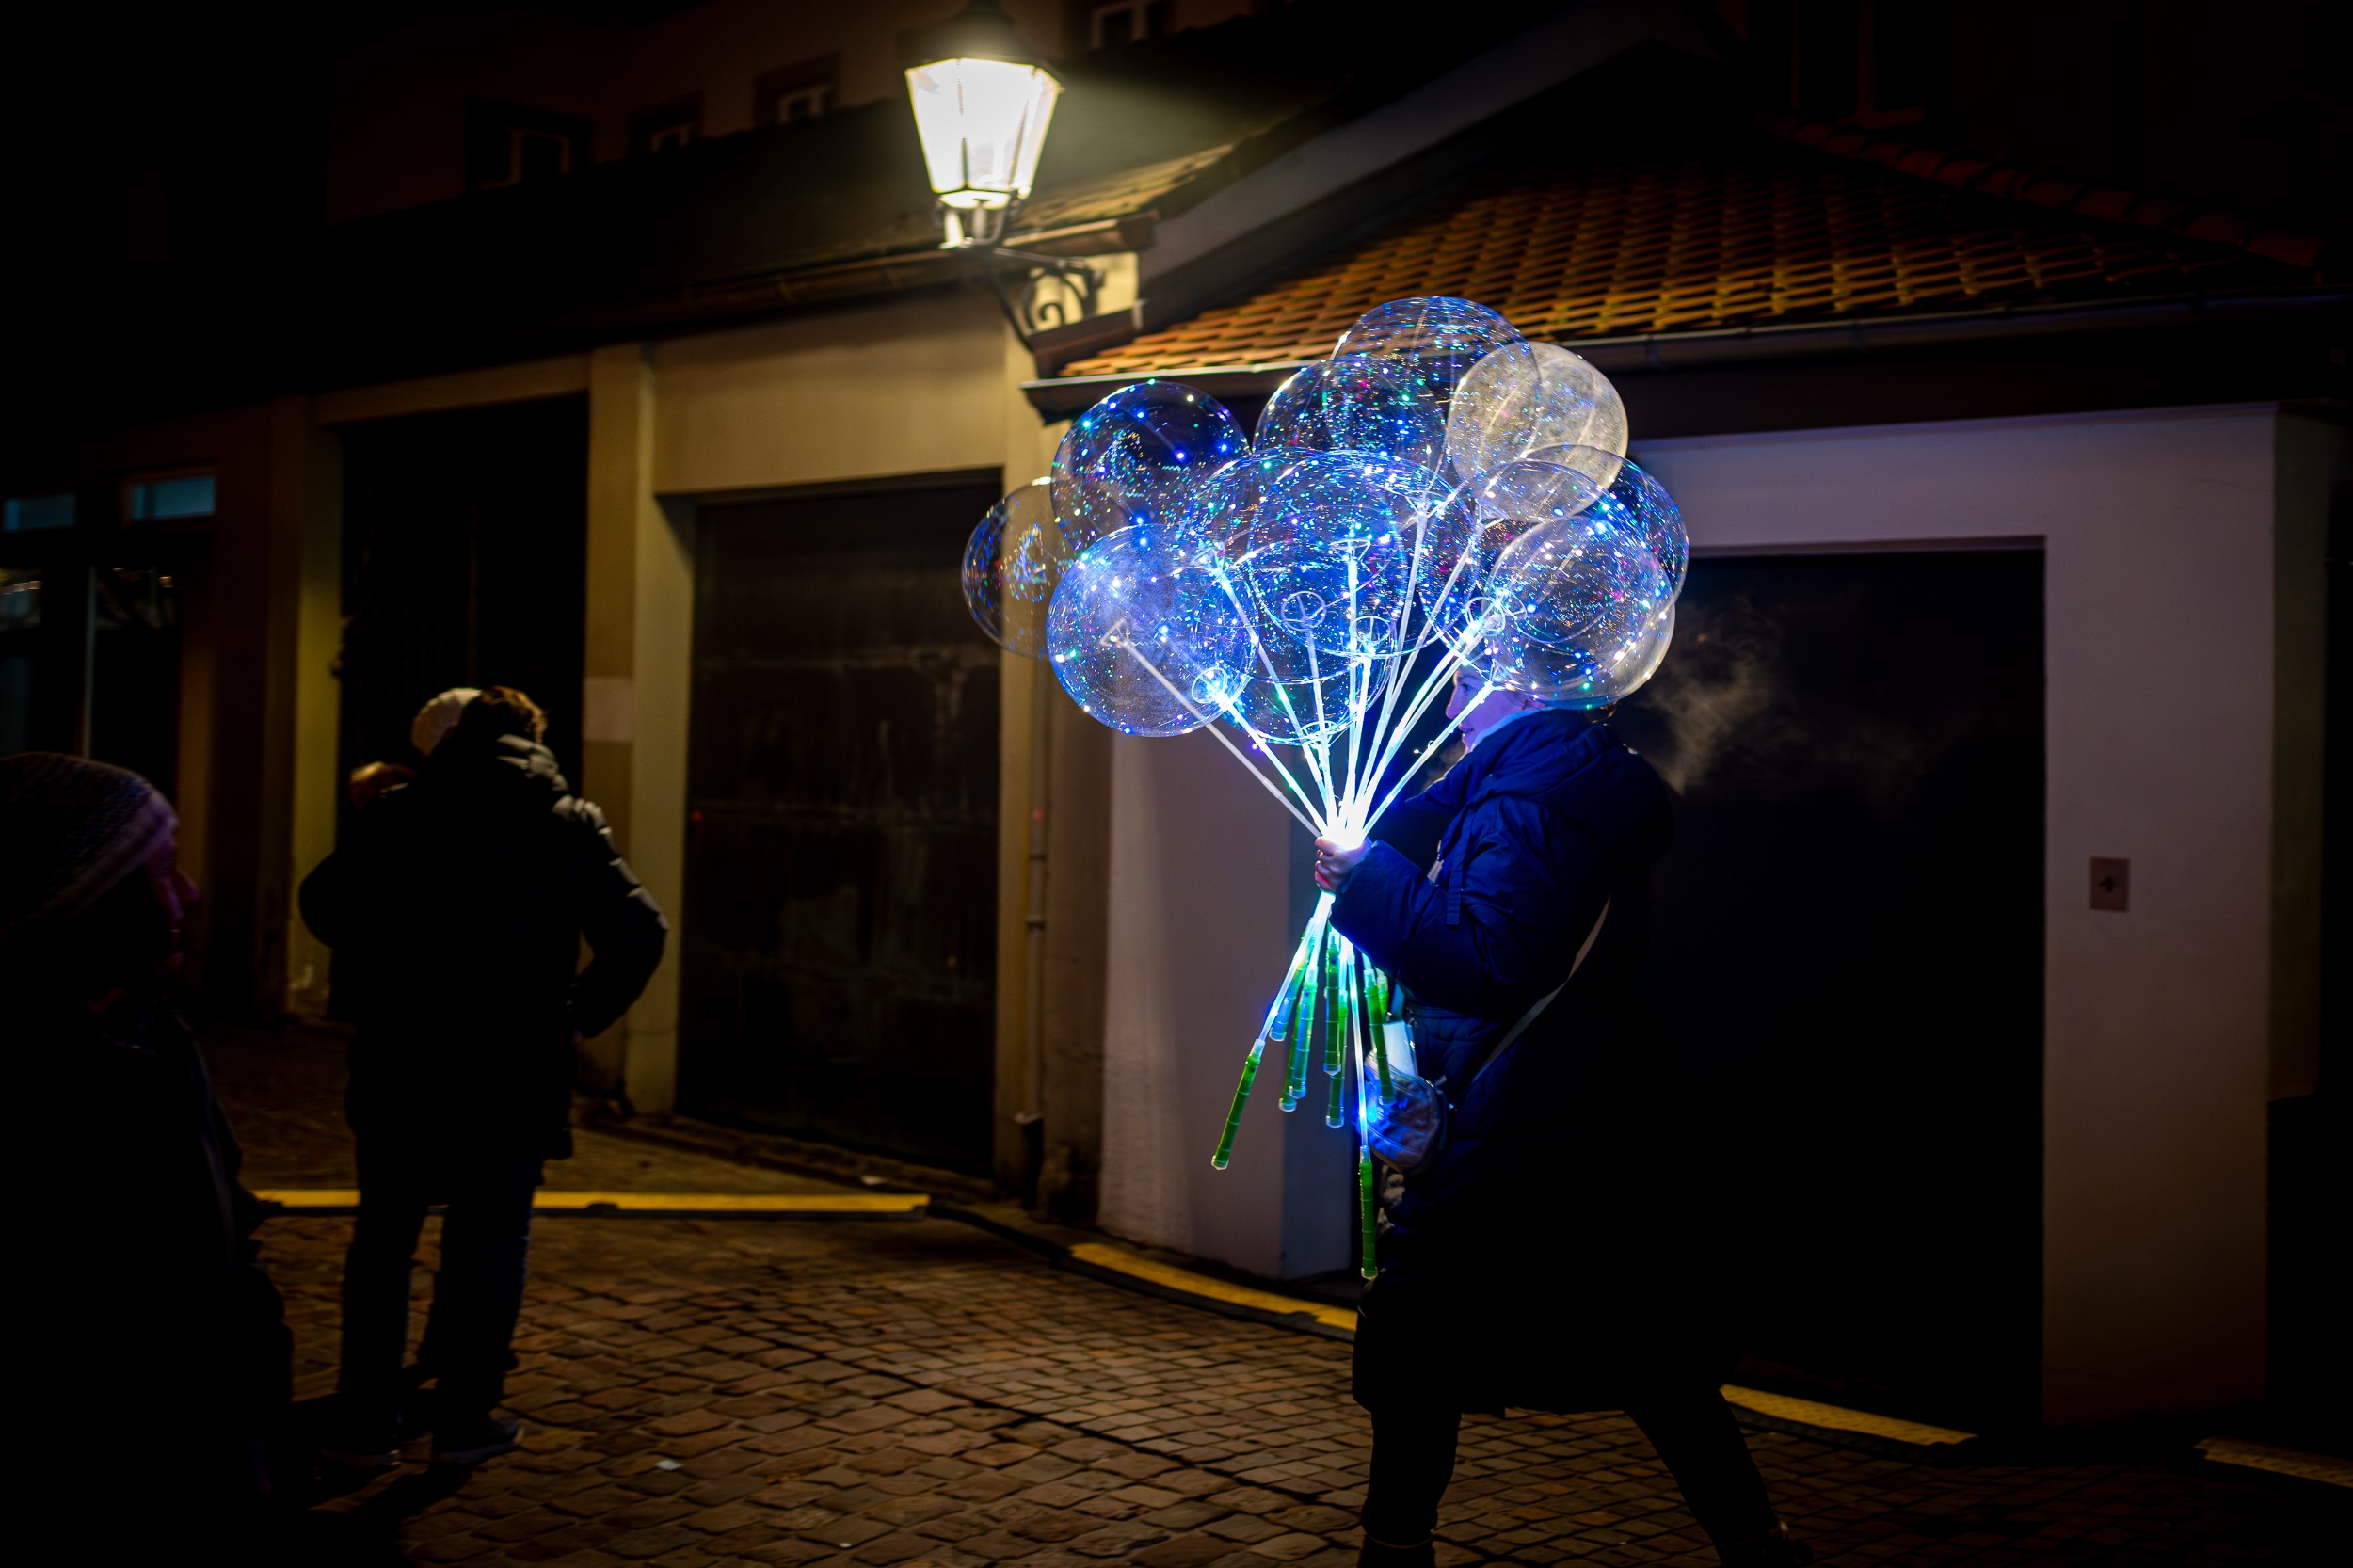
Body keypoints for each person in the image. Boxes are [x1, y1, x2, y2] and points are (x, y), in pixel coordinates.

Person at [1314, 668, 1807, 1568]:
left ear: (1527, 685)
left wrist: (1371, 879)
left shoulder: (1527, 800)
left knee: (1425, 1351)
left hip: (1518, 1120)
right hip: (1551, 1109)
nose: (1452, 698)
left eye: (1472, 676)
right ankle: (1758, 1545)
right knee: (1643, 1351)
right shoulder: (1536, 783)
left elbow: (1490, 965)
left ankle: (1393, 1554)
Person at [300, 685, 666, 1468]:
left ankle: (365, 1420)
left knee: (384, 1240)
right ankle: (464, 1420)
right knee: (490, 1241)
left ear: (458, 740)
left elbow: (324, 903)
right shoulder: (564, 820)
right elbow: (640, 931)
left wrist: (390, 954)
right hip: (513, 1064)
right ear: (534, 737)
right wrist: (575, 1016)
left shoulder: (401, 813)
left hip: (403, 1054)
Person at [3, 753, 295, 1549]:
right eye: (162, 871)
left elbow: (223, 1224)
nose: (191, 891)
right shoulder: (40, 1077)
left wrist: (253, 1404)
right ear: (87, 901)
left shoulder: (151, 1029)